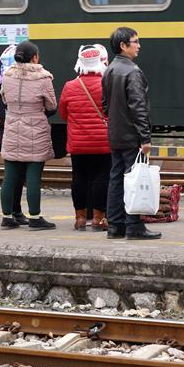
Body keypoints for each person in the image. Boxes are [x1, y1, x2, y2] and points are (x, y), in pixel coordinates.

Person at [102, 27, 159, 240]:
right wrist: (145, 137)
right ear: (123, 46)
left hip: (115, 134)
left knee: (116, 179)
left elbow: (105, 105)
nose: (139, 45)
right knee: (135, 180)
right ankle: (134, 226)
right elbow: (139, 106)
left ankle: (115, 226)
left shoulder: (109, 70)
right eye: (135, 42)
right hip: (132, 136)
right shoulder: (133, 72)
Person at [0, 41, 57, 230]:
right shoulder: (43, 78)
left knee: (10, 174)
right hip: (35, 129)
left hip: (13, 125)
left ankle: (7, 217)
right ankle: (35, 217)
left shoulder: (6, 76)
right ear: (35, 57)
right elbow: (51, 106)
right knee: (33, 175)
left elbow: (5, 99)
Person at [59, 44, 111, 231]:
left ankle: (80, 219)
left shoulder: (70, 86)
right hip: (103, 143)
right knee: (101, 179)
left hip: (78, 142)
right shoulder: (107, 84)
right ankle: (98, 219)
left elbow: (64, 114)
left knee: (79, 178)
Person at [0, 44, 28, 225]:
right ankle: (11, 213)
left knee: (15, 175)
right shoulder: (6, 83)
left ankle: (13, 213)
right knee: (14, 176)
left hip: (9, 134)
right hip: (13, 134)